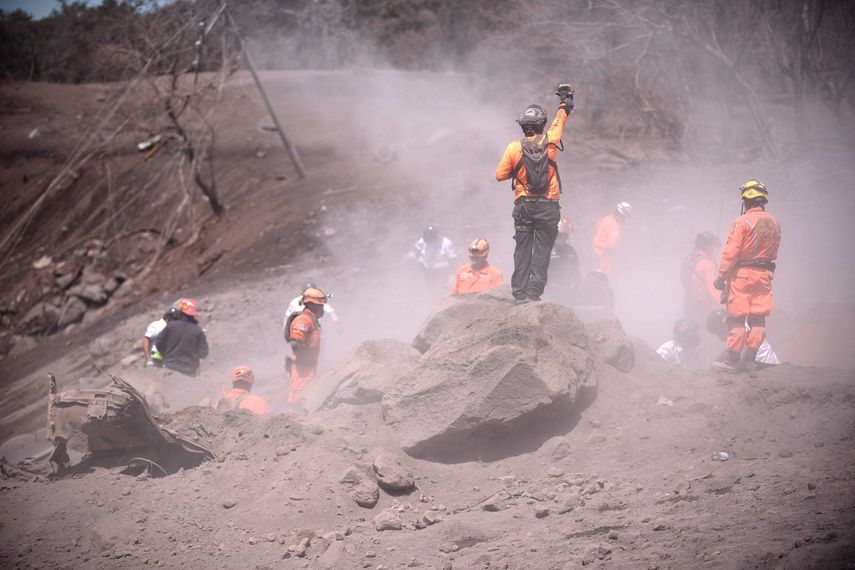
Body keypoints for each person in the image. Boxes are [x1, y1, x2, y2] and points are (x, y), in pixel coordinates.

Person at [495, 86, 573, 304]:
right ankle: (533, 293)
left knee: (522, 250)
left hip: (524, 206)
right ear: (541, 124)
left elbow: (499, 175)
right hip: (548, 206)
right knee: (542, 252)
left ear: (523, 127)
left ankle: (519, 294)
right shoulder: (551, 140)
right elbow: (561, 119)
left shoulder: (513, 148)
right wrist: (565, 101)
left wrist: (518, 171)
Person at [712, 180, 782, 377]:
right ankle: (751, 360)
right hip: (764, 276)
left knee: (736, 318)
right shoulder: (775, 223)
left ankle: (733, 361)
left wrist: (721, 276)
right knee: (758, 319)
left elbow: (731, 252)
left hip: (742, 276)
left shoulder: (740, 222)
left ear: (746, 200)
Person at [285, 287, 327, 408]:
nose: (322, 309)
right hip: (301, 367)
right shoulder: (303, 319)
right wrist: (305, 360)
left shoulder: (311, 320)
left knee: (306, 394)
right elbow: (296, 342)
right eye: (321, 306)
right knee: (299, 396)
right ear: (312, 306)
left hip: (307, 366)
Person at [154, 297, 209, 377]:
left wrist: (166, 355)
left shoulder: (170, 326)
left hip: (170, 368)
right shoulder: (198, 331)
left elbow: (158, 343)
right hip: (189, 372)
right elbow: (204, 353)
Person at [706, 309, 780, 367]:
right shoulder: (738, 326)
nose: (719, 337)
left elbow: (740, 357)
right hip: (760, 365)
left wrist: (715, 365)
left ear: (723, 326)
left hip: (767, 366)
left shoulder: (740, 329)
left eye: (718, 333)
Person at [682, 231, 722, 326]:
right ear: (708, 247)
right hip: (702, 307)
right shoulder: (707, 264)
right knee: (704, 334)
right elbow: (713, 291)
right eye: (712, 246)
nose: (714, 250)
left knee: (691, 330)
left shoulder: (690, 257)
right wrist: (726, 307)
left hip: (688, 302)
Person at [406, 225, 457, 295]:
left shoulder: (446, 243)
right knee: (430, 291)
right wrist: (420, 265)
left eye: (431, 238)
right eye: (427, 238)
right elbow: (417, 252)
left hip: (443, 271)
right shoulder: (421, 242)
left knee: (442, 291)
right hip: (428, 271)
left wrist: (452, 275)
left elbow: (452, 259)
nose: (429, 240)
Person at [591, 202, 631, 277]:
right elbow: (612, 245)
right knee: (603, 279)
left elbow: (594, 230)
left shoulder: (606, 219)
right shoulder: (615, 226)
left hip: (593, 252)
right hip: (603, 256)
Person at [550, 217, 582, 302]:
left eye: (565, 236)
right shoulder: (544, 250)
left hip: (568, 292)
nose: (562, 238)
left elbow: (576, 270)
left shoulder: (571, 251)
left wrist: (578, 285)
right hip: (549, 292)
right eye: (560, 236)